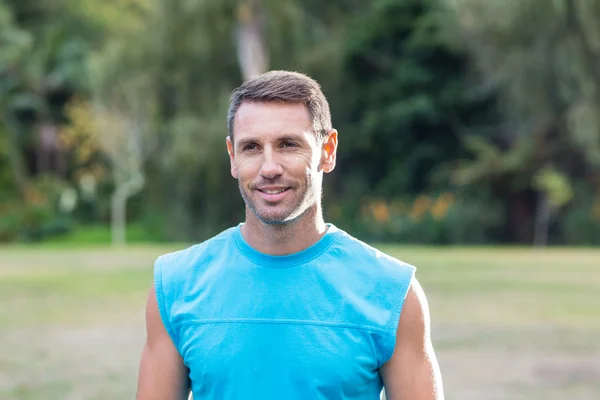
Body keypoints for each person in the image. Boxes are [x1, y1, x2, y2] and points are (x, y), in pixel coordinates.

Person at [135, 70, 443, 400]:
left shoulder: (392, 292)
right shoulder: (176, 285)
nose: (269, 168)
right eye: (251, 147)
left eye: (288, 145)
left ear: (328, 149)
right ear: (232, 157)